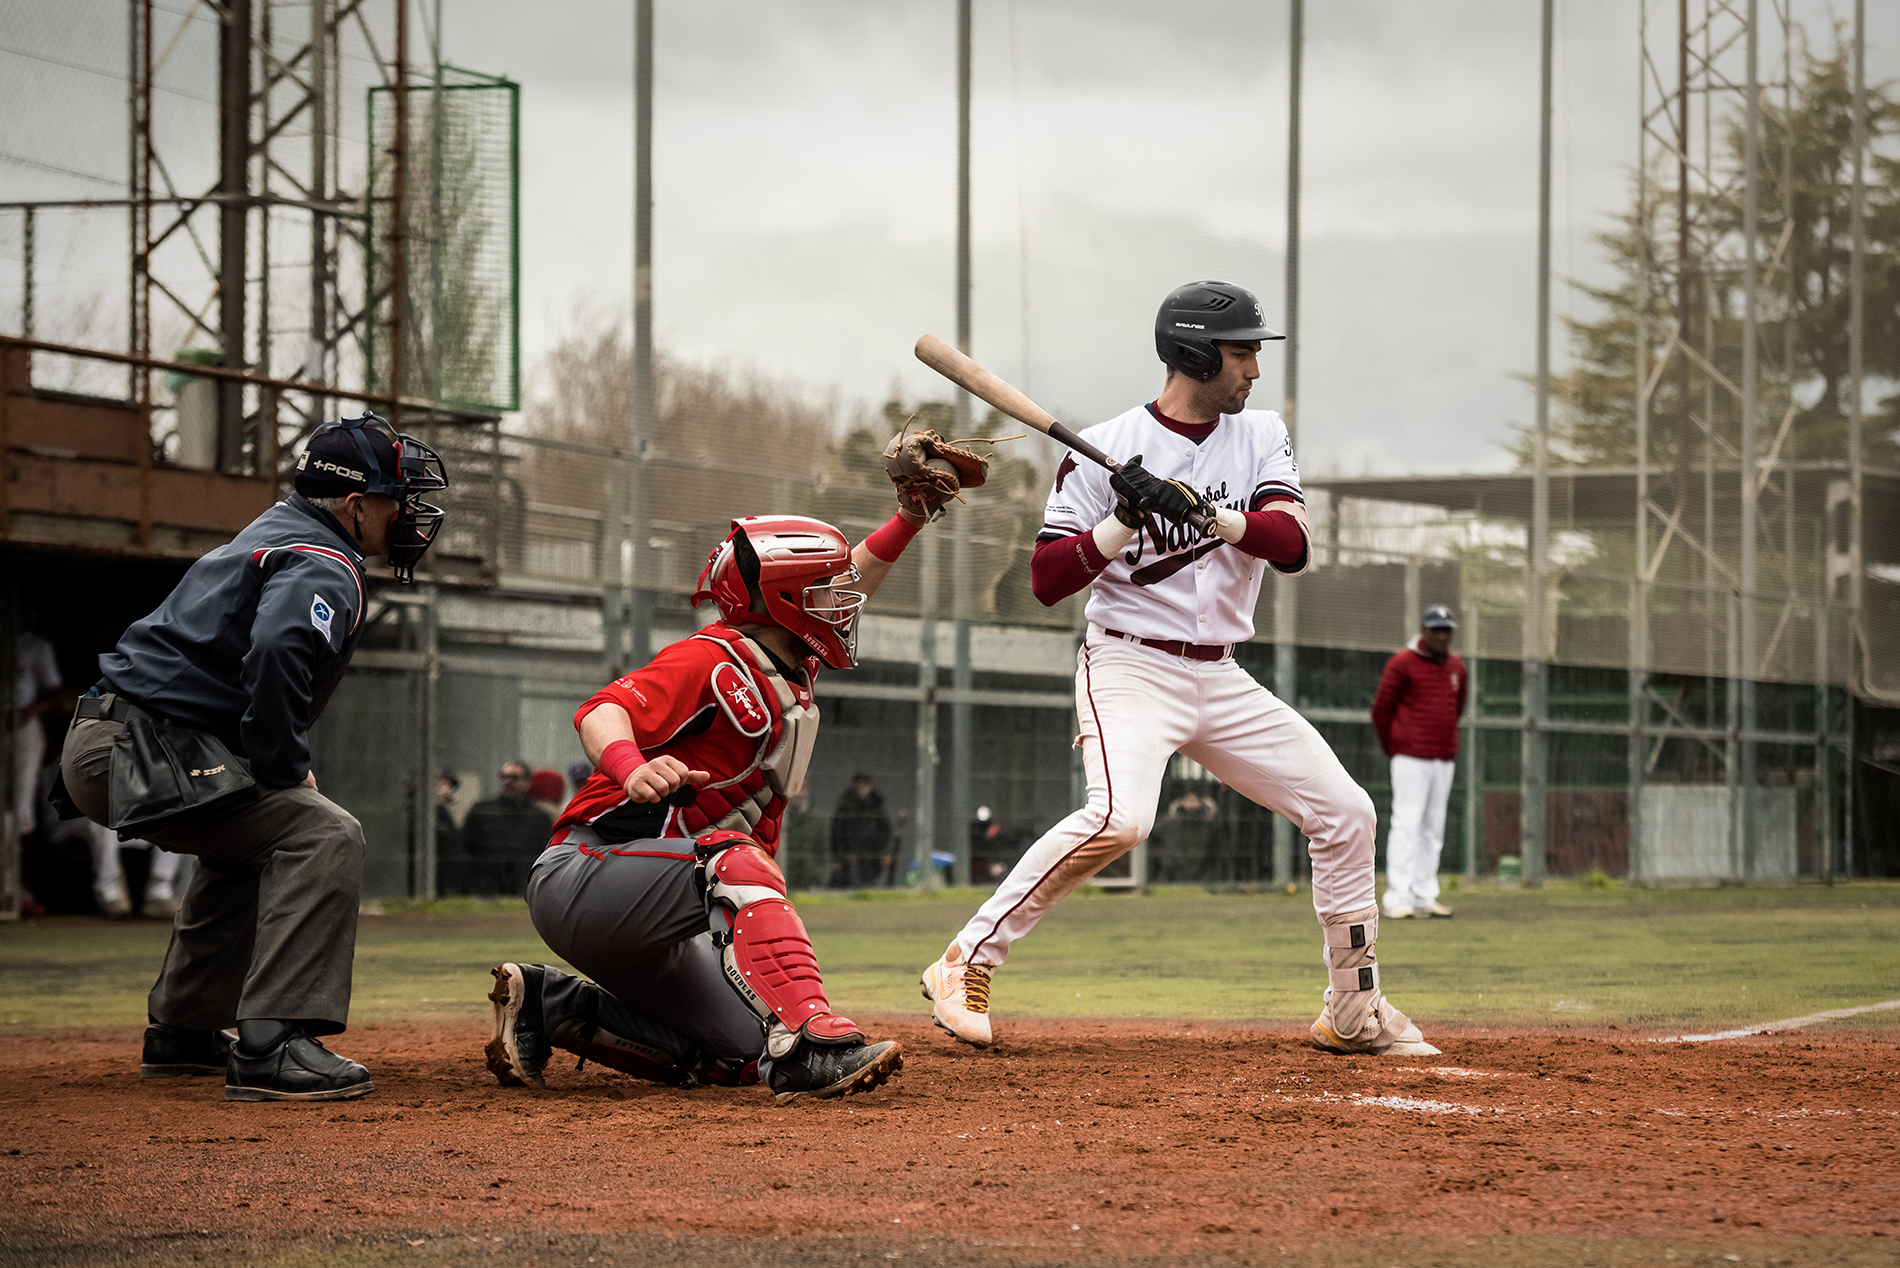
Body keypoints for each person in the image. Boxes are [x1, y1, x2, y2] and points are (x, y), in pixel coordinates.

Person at [919, 280, 1439, 1058]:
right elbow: (1046, 581)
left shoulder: (1260, 432)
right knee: (1121, 818)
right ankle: (966, 959)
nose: (1254, 369)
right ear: (1194, 354)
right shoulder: (1102, 446)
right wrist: (1121, 520)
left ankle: (1354, 1011)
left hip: (1223, 676)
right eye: (1241, 353)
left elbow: (1291, 547)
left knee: (1347, 813)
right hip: (1129, 666)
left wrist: (1208, 513)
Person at [485, 504, 938, 1103]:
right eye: (827, 591)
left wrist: (909, 517)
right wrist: (633, 766)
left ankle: (549, 1006)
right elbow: (601, 711)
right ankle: (811, 1044)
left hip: (663, 917)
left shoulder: (787, 667)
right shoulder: (709, 657)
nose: (845, 602)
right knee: (736, 857)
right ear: (787, 600)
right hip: (586, 874)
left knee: (743, 1053)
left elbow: (856, 570)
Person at [58, 413, 447, 1100]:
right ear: (355, 507)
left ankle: (184, 1031)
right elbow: (277, 650)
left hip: (119, 740)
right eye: (396, 499)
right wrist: (284, 763)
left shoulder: (276, 532)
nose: (408, 513)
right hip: (141, 747)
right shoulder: (325, 558)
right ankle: (274, 1044)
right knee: (324, 832)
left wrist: (270, 767)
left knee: (253, 839)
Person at [1372, 605, 1467, 919]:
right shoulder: (1402, 662)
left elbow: (1458, 708)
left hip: (1443, 757)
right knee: (1406, 824)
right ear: (1424, 631)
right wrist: (1395, 746)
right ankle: (1398, 898)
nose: (1442, 636)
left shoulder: (1457, 667)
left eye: (1446, 630)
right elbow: (1381, 710)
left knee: (1433, 828)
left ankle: (1425, 895)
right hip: (1410, 756)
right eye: (1436, 629)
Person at [460, 761, 553, 896]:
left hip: (524, 888)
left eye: (514, 778)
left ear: (527, 782)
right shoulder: (482, 811)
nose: (507, 782)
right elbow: (466, 847)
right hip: (485, 888)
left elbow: (545, 853)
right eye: (503, 777)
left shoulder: (539, 817)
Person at [828, 772, 892, 889]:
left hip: (873, 860)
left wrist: (882, 852)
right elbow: (836, 834)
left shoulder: (876, 807)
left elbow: (885, 832)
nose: (863, 789)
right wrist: (839, 857)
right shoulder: (845, 807)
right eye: (860, 785)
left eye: (865, 785)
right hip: (851, 860)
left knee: (872, 889)